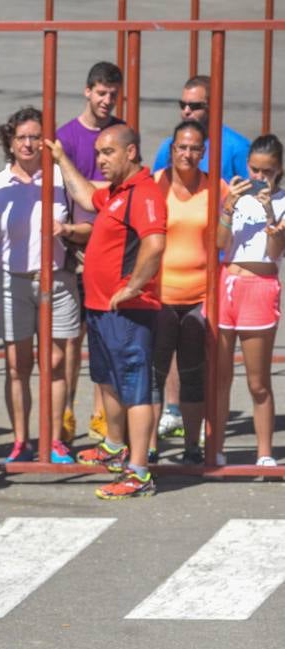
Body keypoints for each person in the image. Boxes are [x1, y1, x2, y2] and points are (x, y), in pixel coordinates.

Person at [52, 125, 168, 500]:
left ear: (131, 152)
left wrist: (134, 286)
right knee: (109, 380)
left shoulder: (144, 193)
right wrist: (60, 158)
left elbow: (154, 243)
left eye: (108, 153)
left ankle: (138, 472)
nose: (101, 160)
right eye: (99, 153)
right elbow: (85, 196)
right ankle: (116, 449)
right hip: (102, 308)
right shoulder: (118, 193)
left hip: (129, 312)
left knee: (135, 388)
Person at [0, 107, 81, 465]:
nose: (29, 143)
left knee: (56, 361)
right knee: (16, 364)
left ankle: (53, 440)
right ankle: (21, 441)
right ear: (11, 141)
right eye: (22, 137)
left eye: (35, 136)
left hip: (56, 280)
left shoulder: (59, 180)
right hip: (12, 282)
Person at [55, 61, 124, 448]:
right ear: (87, 91)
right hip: (73, 249)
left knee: (104, 338)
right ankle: (64, 414)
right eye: (100, 92)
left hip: (111, 248)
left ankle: (102, 416)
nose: (106, 100)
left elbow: (122, 184)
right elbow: (68, 188)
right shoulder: (66, 135)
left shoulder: (120, 131)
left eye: (112, 94)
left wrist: (88, 186)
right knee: (69, 340)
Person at [213, 133, 285, 467]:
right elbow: (219, 242)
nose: (258, 178)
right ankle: (215, 447)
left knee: (258, 382)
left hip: (259, 286)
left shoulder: (283, 202)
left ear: (279, 170)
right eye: (254, 170)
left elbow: (274, 254)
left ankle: (265, 453)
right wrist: (228, 206)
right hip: (228, 283)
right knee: (221, 376)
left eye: (266, 172)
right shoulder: (236, 196)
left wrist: (271, 213)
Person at [151, 120, 216, 465]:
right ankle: (148, 446)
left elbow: (223, 242)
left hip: (199, 299)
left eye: (194, 148)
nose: (187, 154)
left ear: (203, 152)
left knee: (193, 375)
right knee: (153, 374)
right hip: (158, 298)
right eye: (181, 147)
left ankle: (193, 447)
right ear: (172, 149)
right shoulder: (154, 185)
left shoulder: (214, 188)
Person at [152, 75, 252, 183]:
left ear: (212, 106)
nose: (186, 111)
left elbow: (251, 191)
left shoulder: (237, 147)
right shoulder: (170, 146)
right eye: (182, 105)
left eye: (194, 106)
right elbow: (155, 185)